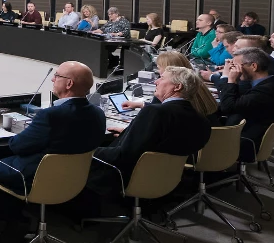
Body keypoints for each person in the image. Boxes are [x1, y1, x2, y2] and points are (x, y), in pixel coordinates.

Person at [0, 62, 105, 243]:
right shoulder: (98, 113)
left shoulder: (51, 115)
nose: (52, 78)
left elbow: (17, 146)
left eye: (57, 76)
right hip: (74, 179)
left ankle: (16, 221)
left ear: (69, 84)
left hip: (36, 175)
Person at [89, 66, 212, 197]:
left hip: (125, 177)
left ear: (177, 87)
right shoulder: (202, 121)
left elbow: (123, 155)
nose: (156, 82)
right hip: (165, 179)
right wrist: (129, 133)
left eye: (162, 78)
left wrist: (88, 152)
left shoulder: (154, 112)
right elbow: (162, 143)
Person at [217, 49, 274, 161]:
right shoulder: (268, 82)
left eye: (236, 65)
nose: (234, 69)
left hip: (246, 140)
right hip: (249, 130)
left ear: (254, 66)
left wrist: (231, 80)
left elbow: (227, 107)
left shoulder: (267, 90)